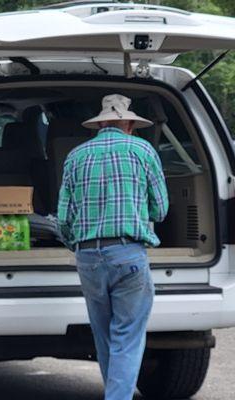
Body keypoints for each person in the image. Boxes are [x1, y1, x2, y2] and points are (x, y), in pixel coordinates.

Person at [57, 94, 169, 400]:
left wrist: (77, 246)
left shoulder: (76, 156)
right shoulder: (143, 151)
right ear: (130, 123)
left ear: (101, 123)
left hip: (87, 256)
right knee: (127, 336)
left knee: (104, 335)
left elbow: (64, 218)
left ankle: (116, 394)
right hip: (128, 254)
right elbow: (160, 209)